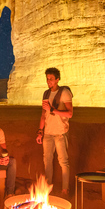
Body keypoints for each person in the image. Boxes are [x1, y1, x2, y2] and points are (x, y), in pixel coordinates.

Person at [35, 67, 73, 196]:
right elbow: (43, 115)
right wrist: (40, 131)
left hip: (60, 132)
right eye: (47, 79)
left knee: (63, 161)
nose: (48, 81)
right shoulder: (46, 94)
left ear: (57, 79)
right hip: (48, 133)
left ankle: (64, 189)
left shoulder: (65, 92)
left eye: (51, 79)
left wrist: (53, 110)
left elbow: (70, 113)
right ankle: (48, 188)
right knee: (47, 160)